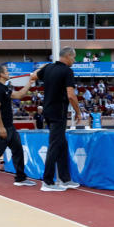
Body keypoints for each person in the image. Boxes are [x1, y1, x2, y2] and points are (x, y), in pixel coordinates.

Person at [35, 47, 85, 191]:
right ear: (68, 56)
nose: (74, 61)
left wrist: (44, 67)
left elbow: (33, 76)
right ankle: (48, 182)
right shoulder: (67, 71)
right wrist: (78, 112)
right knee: (55, 145)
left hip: (48, 111)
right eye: (74, 58)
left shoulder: (49, 68)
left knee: (62, 144)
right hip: (58, 112)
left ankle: (65, 179)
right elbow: (71, 95)